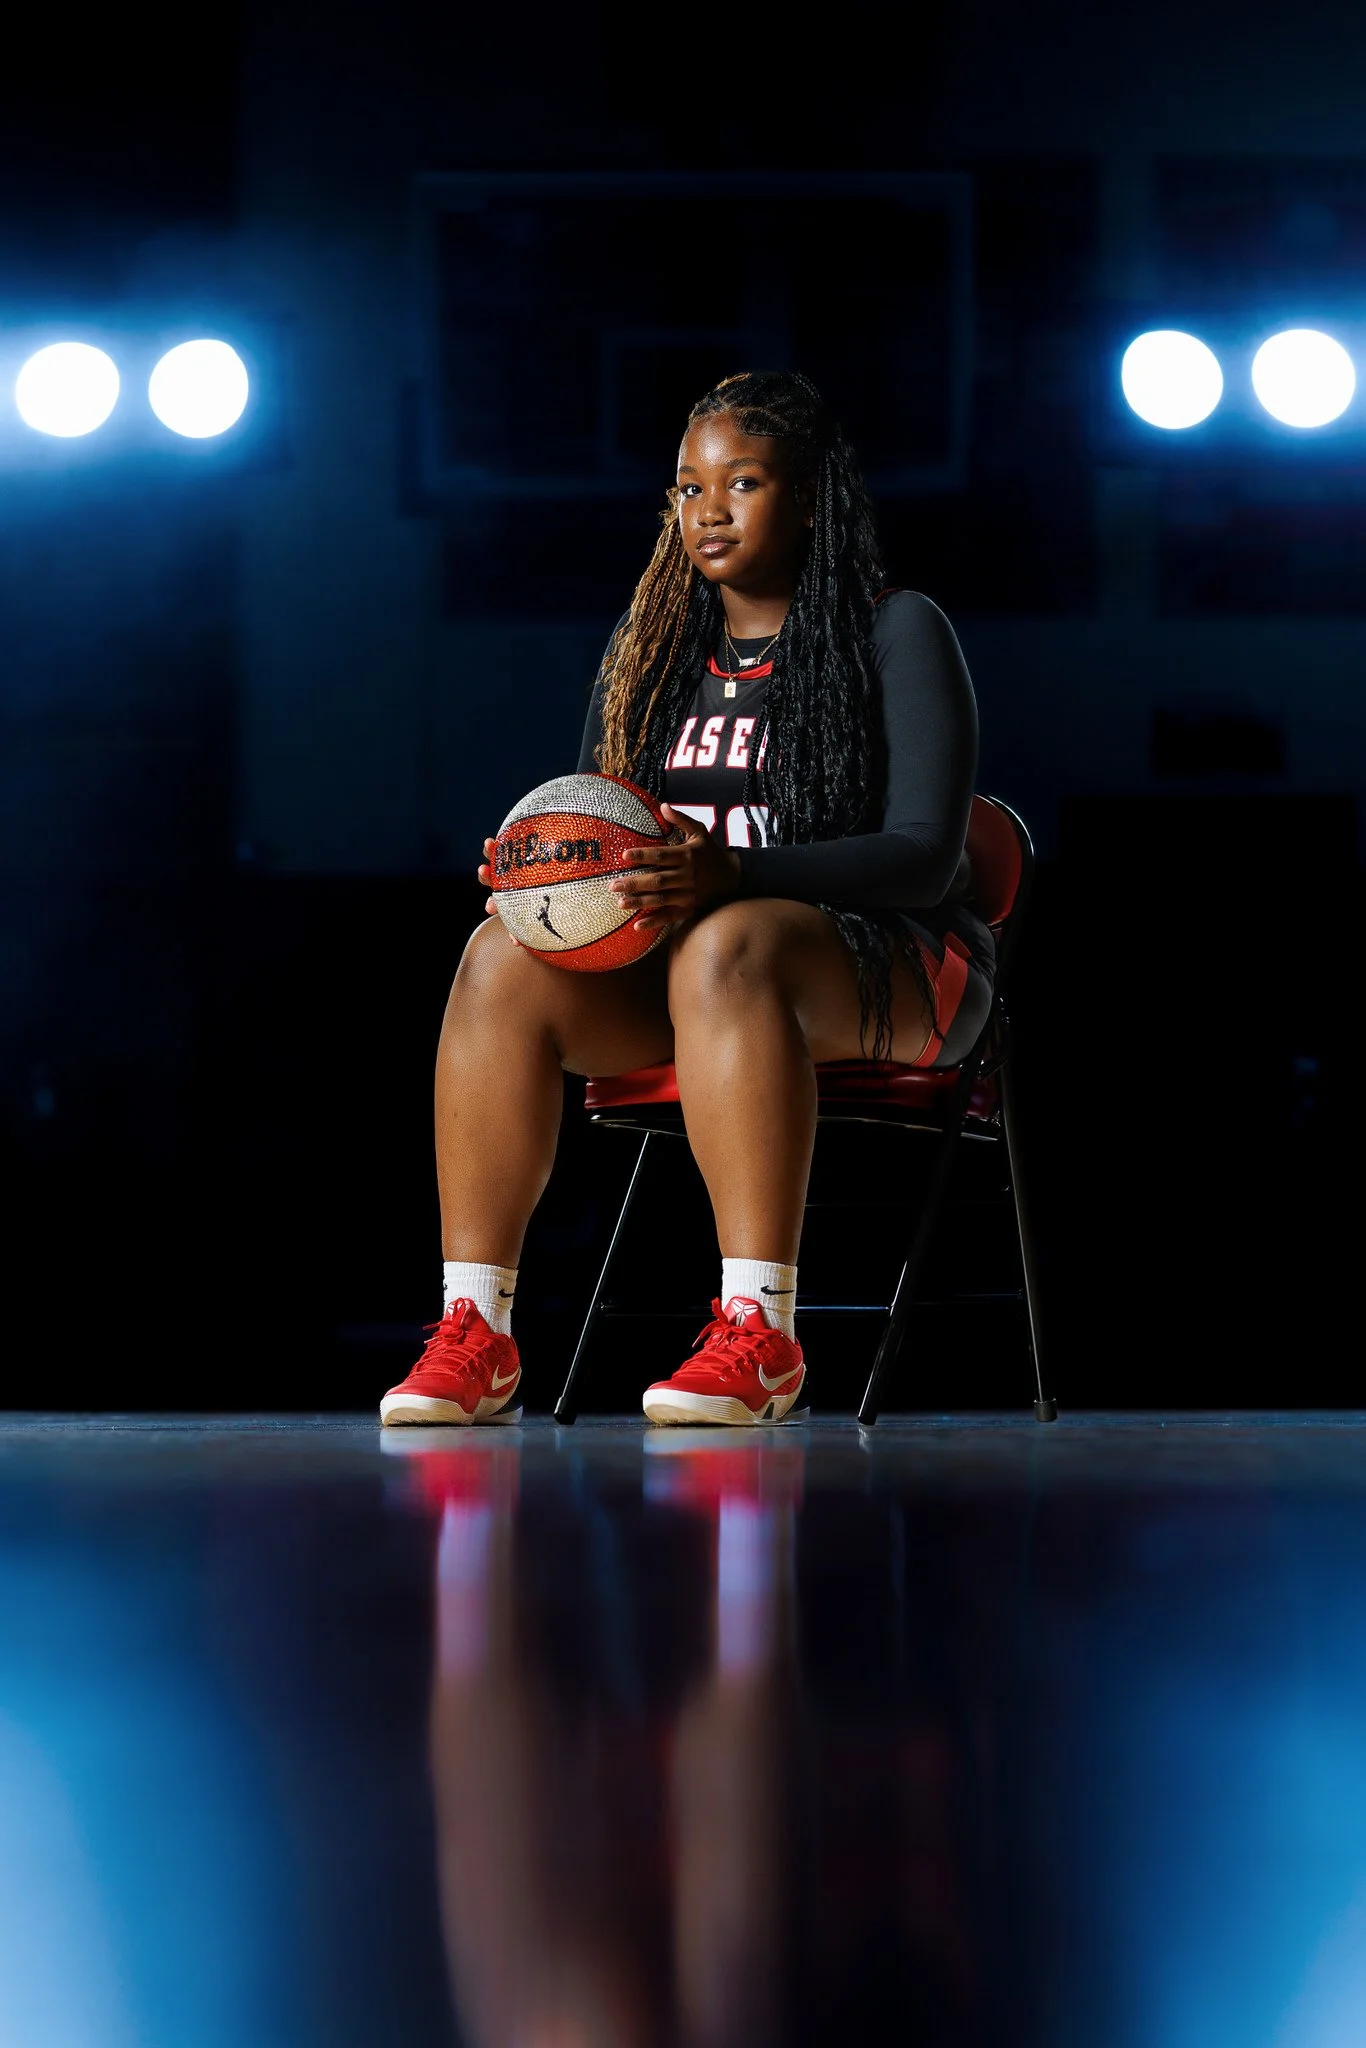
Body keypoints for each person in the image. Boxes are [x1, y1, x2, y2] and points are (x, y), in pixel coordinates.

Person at [380, 369, 992, 1429]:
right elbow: (593, 823)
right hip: (692, 983)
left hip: (899, 966)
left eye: (742, 482)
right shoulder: (649, 649)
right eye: (687, 487)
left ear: (807, 497)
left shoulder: (896, 631)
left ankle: (762, 1335)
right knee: (495, 959)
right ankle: (475, 1333)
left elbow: (927, 859)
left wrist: (735, 874)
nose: (708, 510)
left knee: (733, 942)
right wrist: (540, 881)